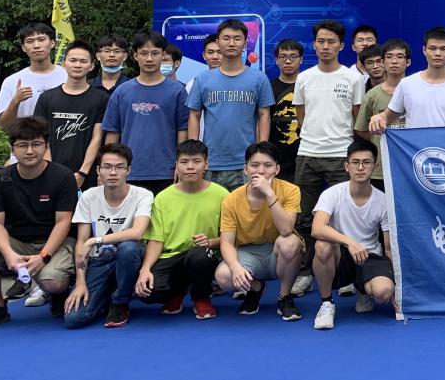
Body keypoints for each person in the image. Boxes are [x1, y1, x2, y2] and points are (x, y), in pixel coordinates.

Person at [0, 117, 78, 332]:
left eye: (36, 144)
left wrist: (43, 256)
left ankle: (59, 293)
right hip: (16, 241)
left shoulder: (62, 176)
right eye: (22, 145)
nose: (29, 151)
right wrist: (8, 254)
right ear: (13, 149)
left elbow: (63, 222)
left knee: (53, 282)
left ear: (46, 146)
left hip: (56, 241)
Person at [291, 20, 365, 293]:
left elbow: (357, 118)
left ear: (341, 46)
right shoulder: (304, 78)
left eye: (331, 42)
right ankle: (304, 272)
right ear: (314, 44)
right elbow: (301, 116)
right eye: (321, 41)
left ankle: (345, 276)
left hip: (340, 155)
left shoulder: (352, 78)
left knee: (342, 217)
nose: (325, 46)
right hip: (308, 154)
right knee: (304, 218)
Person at [62, 143, 152, 329]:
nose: (113, 172)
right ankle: (107, 291)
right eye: (107, 167)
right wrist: (80, 282)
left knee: (128, 247)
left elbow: (137, 232)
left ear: (128, 170)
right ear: (98, 171)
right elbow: (81, 242)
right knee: (74, 319)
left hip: (129, 259)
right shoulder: (88, 196)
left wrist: (96, 240)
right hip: (99, 261)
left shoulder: (142, 195)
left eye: (119, 167)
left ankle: (120, 302)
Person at [134, 139, 227, 320]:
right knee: (148, 293)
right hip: (171, 257)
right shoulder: (163, 198)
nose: (190, 167)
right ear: (176, 165)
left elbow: (230, 236)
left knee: (200, 256)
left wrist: (211, 242)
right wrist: (145, 269)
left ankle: (201, 297)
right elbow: (156, 240)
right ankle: (177, 291)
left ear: (206, 164)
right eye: (184, 162)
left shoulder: (222, 194)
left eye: (196, 161)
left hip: (204, 255)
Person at [311, 138, 395, 329]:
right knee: (322, 245)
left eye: (366, 162)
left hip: (370, 256)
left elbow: (389, 248)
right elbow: (317, 228)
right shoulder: (332, 194)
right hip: (341, 255)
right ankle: (326, 303)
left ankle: (364, 291)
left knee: (383, 292)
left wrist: (397, 291)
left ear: (375, 166)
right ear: (347, 166)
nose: (360, 167)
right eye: (355, 162)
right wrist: (350, 242)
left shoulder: (384, 201)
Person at [215, 142, 304, 320]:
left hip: (277, 250)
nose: (261, 171)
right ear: (245, 169)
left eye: (268, 165)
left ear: (277, 169)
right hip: (247, 252)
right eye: (254, 165)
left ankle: (284, 297)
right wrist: (235, 267)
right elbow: (226, 242)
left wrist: (269, 194)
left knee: (290, 242)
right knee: (223, 276)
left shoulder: (291, 190)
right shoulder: (231, 199)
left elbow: (286, 230)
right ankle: (256, 288)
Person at [187, 18, 273, 190]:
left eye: (237, 38)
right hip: (211, 163)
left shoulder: (259, 78)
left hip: (247, 164)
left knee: (248, 207)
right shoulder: (202, 79)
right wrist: (194, 155)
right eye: (226, 38)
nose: (231, 43)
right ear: (218, 42)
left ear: (245, 43)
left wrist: (261, 154)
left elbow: (264, 115)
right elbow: (194, 116)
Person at [102, 31, 189, 194]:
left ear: (163, 55)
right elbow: (113, 132)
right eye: (144, 53)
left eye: (155, 53)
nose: (149, 59)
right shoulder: (122, 91)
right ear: (135, 55)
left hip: (166, 172)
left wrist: (181, 163)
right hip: (128, 171)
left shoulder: (177, 91)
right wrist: (108, 166)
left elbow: (183, 130)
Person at [33, 39, 108, 189]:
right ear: (64, 64)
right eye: (73, 60)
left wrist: (82, 173)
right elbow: (40, 136)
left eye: (83, 61)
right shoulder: (47, 97)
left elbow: (97, 138)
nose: (77, 65)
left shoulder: (101, 98)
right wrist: (50, 169)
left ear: (91, 66)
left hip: (87, 176)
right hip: (48, 173)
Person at [371, 27, 445, 133]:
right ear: (424, 50)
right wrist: (379, 118)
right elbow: (388, 116)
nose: (438, 53)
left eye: (443, 49)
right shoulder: (407, 84)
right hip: (413, 144)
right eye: (432, 48)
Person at [355, 38, 411, 188]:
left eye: (400, 57)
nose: (394, 61)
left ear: (408, 62)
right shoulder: (372, 95)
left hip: (411, 162)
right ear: (384, 62)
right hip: (381, 166)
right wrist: (380, 137)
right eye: (389, 57)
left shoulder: (418, 91)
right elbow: (361, 129)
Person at [0, 22, 67, 132]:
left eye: (41, 40)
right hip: (27, 140)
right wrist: (16, 101)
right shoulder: (12, 81)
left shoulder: (68, 76)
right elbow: (4, 126)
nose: (36, 45)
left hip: (63, 138)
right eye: (30, 41)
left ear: (52, 43)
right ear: (23, 47)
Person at [268, 38, 304, 181]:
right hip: (276, 157)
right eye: (283, 57)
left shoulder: (309, 85)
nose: (288, 61)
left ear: (301, 59)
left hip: (304, 155)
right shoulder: (267, 87)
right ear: (276, 60)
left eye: (293, 57)